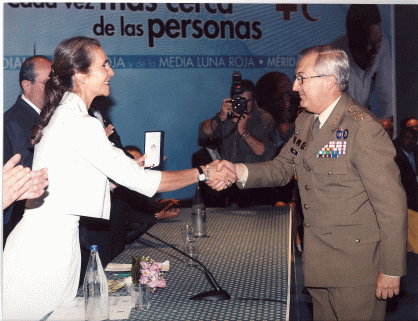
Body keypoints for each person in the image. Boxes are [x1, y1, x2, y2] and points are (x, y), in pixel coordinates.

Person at [2, 36, 236, 320]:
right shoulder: (81, 123)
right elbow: (146, 184)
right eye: (105, 65)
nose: (111, 72)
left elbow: (71, 179)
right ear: (81, 74)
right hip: (43, 257)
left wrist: (117, 175)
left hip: (54, 249)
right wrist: (204, 172)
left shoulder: (66, 116)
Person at [215, 45, 408, 321]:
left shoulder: (362, 129)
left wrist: (391, 270)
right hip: (320, 264)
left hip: (357, 271)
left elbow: (391, 204)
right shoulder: (306, 121)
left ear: (329, 81)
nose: (295, 87)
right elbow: (282, 167)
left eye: (301, 78)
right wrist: (237, 171)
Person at [199, 78, 277, 206]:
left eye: (247, 101)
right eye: (239, 101)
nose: (243, 105)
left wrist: (244, 132)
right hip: (231, 187)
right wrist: (220, 117)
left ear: (254, 100)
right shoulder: (227, 117)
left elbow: (268, 154)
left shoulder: (264, 119)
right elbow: (203, 133)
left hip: (257, 187)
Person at [3, 55, 52, 244]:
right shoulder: (13, 123)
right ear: (27, 86)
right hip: (27, 229)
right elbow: (29, 175)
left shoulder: (48, 118)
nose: (56, 89)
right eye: (48, 83)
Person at [332, 4, 394, 120]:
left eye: (378, 41)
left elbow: (387, 99)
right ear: (353, 40)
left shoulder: (381, 45)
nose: (376, 50)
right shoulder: (333, 59)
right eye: (369, 44)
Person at [192, 138, 228, 207]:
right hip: (209, 196)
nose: (212, 139)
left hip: (226, 192)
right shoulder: (198, 155)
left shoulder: (224, 151)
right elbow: (199, 177)